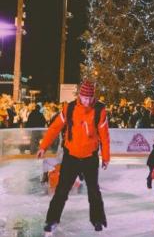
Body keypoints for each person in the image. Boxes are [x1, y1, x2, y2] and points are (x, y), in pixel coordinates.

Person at [36, 80, 110, 233]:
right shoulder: (69, 108)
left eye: (90, 98)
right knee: (62, 190)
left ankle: (97, 219)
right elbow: (55, 127)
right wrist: (43, 146)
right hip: (71, 157)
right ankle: (52, 220)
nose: (87, 101)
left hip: (90, 157)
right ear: (80, 95)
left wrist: (106, 156)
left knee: (93, 190)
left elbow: (104, 136)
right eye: (84, 98)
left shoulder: (99, 110)